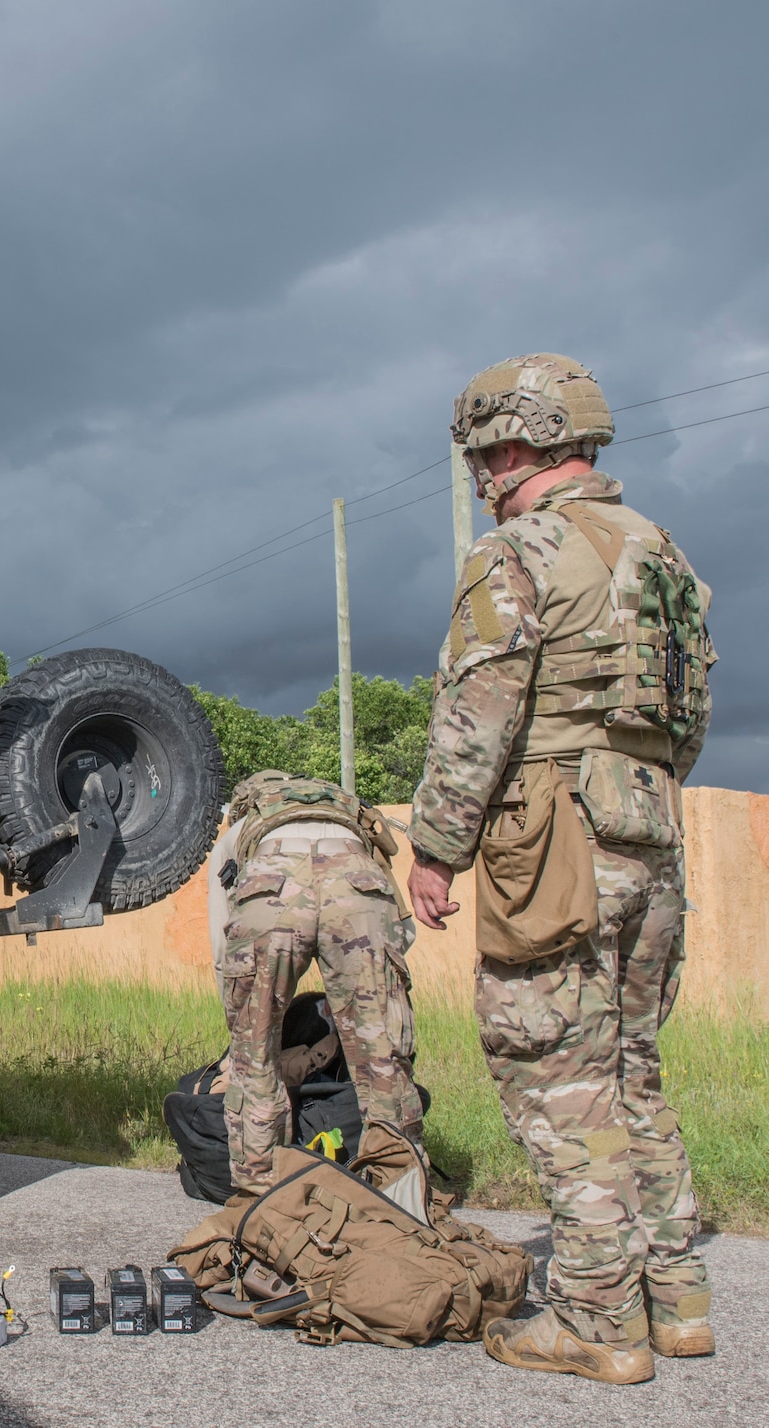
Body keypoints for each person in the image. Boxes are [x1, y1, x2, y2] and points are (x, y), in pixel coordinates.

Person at [407, 354, 716, 1384]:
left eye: (481, 452)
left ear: (511, 444)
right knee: (630, 1068)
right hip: (649, 835)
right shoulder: (662, 554)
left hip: (549, 843)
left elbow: (477, 711)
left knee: (554, 1077)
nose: (477, 472)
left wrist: (436, 848)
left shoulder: (516, 549)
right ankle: (674, 1304)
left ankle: (593, 1320)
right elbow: (688, 717)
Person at [206, 770, 421, 1195]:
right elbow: (402, 930)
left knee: (256, 1061)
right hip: (357, 882)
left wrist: (245, 1027)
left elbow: (221, 946)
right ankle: (403, 1197)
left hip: (271, 885)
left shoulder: (239, 831)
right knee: (383, 1058)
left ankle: (263, 1201)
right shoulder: (351, 816)